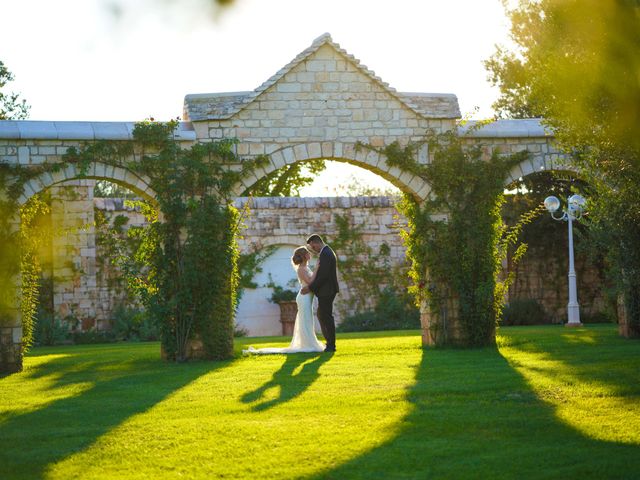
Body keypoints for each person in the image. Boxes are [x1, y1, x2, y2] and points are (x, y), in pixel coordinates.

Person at [244, 246, 325, 354]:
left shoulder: (306, 267)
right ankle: (308, 344)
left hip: (307, 297)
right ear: (304, 255)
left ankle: (309, 342)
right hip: (304, 298)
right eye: (308, 253)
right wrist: (316, 269)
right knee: (306, 320)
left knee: (308, 320)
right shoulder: (301, 269)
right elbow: (310, 282)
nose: (310, 254)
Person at [301, 234, 339, 352]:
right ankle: (329, 343)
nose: (313, 249)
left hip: (327, 291)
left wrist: (310, 288)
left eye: (312, 246)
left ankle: (331, 345)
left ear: (316, 242)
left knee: (326, 317)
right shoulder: (326, 252)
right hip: (326, 290)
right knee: (322, 315)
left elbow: (323, 276)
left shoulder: (326, 254)